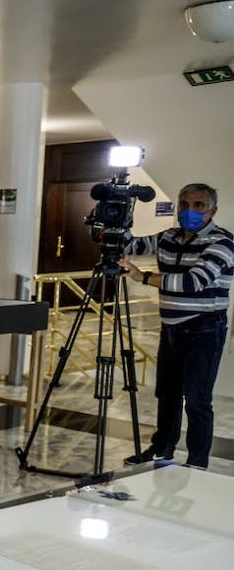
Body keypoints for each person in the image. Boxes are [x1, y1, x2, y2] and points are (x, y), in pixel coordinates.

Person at [120, 183, 233, 469]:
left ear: (212, 211)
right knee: (167, 394)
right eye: (184, 205)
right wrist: (114, 220)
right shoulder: (169, 236)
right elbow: (130, 244)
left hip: (205, 328)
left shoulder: (223, 242)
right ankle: (162, 449)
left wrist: (142, 277)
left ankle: (197, 462)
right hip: (171, 327)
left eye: (199, 206)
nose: (190, 211)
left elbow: (193, 283)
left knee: (196, 399)